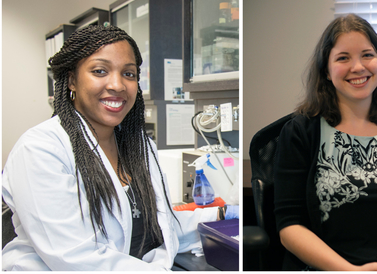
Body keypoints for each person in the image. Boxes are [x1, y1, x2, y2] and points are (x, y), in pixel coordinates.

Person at [2, 25, 237, 271]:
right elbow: (73, 258)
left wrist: (222, 215)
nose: (117, 85)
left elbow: (160, 225)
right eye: (100, 71)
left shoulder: (138, 145)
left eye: (129, 74)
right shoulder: (40, 149)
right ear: (72, 80)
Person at [273, 14, 377, 271]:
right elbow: (290, 225)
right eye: (343, 58)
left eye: (367, 55)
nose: (358, 67)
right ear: (326, 69)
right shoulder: (301, 132)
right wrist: (351, 272)